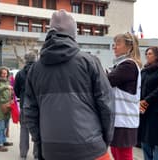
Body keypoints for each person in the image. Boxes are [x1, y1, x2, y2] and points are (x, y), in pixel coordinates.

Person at [24, 10, 115, 160]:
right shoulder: (89, 62)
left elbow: (30, 112)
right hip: (91, 147)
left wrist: (39, 144)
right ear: (73, 34)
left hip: (51, 149)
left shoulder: (35, 69)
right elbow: (107, 105)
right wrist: (106, 139)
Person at [107, 32, 142, 160]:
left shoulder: (128, 65)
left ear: (129, 47)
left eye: (118, 44)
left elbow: (106, 81)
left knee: (122, 155)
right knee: (116, 152)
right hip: (121, 120)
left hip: (124, 121)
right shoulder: (123, 65)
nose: (114, 47)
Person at [138, 47, 158, 160]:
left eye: (150, 53)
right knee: (144, 143)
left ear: (157, 55)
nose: (147, 55)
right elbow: (139, 88)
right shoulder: (144, 71)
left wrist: (146, 100)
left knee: (157, 145)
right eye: (146, 53)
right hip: (144, 111)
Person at [14, 52, 38, 160]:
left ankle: (23, 154)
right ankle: (37, 154)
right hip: (38, 105)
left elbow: (16, 90)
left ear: (25, 60)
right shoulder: (40, 71)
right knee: (38, 129)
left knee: (24, 129)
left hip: (25, 103)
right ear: (35, 59)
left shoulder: (20, 73)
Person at [0, 67, 13, 152]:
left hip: (7, 105)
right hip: (0, 106)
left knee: (5, 125)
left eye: (6, 73)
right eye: (3, 73)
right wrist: (6, 87)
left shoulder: (7, 81)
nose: (5, 75)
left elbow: (9, 92)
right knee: (0, 125)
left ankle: (3, 141)